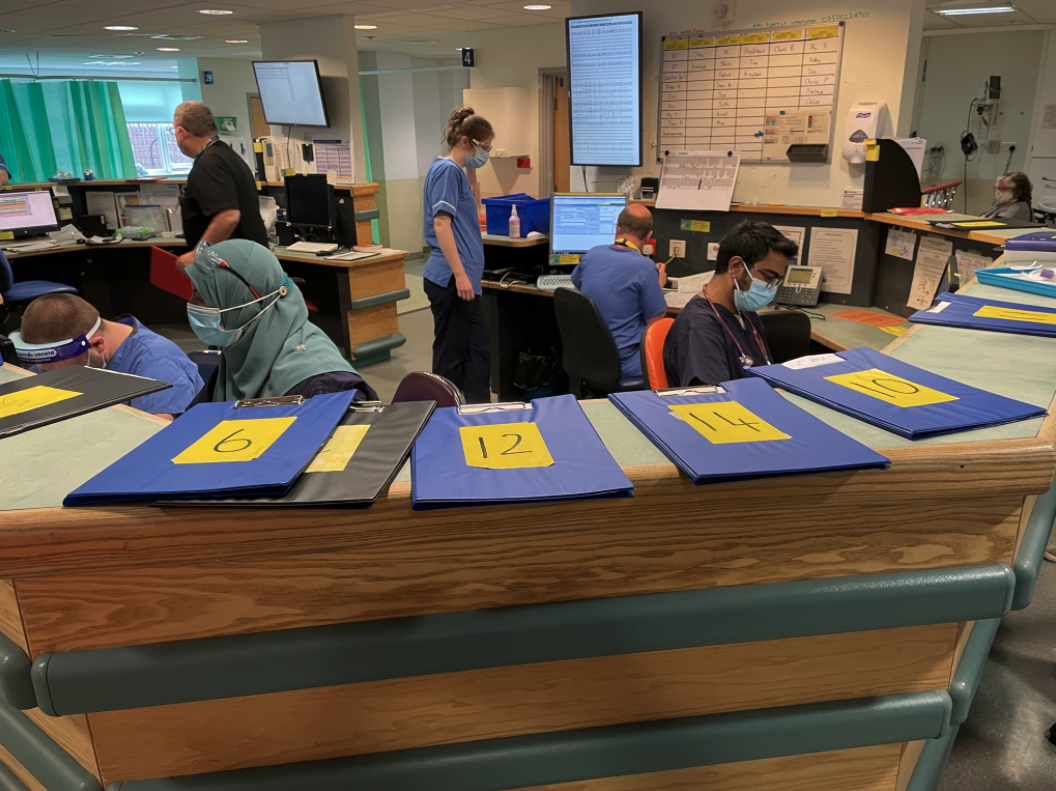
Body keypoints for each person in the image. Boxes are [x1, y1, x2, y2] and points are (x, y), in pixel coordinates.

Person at [184, 238, 377, 403]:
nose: (191, 304)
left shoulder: (323, 388)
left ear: (247, 303)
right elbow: (195, 423)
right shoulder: (241, 355)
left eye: (201, 297)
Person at [12, 294, 203, 420]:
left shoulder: (157, 364)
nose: (60, 381)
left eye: (68, 374)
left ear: (96, 345)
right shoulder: (59, 357)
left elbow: (154, 442)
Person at [663, 221, 797, 387]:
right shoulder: (699, 328)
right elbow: (713, 403)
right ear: (735, 267)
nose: (772, 288)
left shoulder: (745, 312)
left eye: (777, 281)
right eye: (769, 277)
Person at [421, 107, 494, 403]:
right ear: (466, 142)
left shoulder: (457, 171)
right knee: (451, 356)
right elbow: (441, 224)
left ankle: (478, 411)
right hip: (451, 278)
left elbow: (471, 208)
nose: (487, 153)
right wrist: (461, 274)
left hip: (463, 279)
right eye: (484, 147)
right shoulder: (446, 171)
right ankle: (441, 414)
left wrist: (472, 169)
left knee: (477, 350)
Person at [571, 204, 668, 379]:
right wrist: (658, 284)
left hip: (584, 357)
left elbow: (577, 295)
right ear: (648, 236)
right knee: (675, 355)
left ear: (617, 228)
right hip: (622, 362)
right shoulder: (645, 267)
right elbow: (655, 323)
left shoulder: (592, 254)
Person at [173, 101, 268, 268]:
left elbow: (228, 216)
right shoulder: (225, 155)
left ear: (181, 132)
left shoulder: (209, 164)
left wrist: (197, 255)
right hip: (250, 262)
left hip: (237, 268)